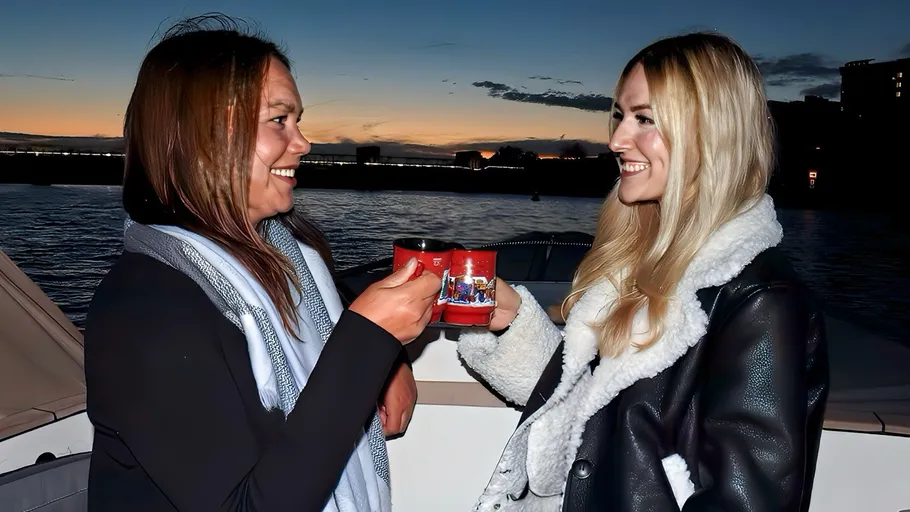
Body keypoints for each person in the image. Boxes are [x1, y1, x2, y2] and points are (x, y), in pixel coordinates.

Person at [457, 32, 829, 511]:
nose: (615, 139)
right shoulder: (642, 259)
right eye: (618, 115)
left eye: (644, 119)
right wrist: (512, 321)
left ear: (711, 132)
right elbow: (599, 409)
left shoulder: (761, 301)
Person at [83, 14, 440, 512]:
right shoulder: (145, 309)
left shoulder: (280, 254)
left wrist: (386, 361)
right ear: (205, 136)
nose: (303, 143)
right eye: (279, 120)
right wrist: (368, 346)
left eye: (297, 121)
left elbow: (332, 314)